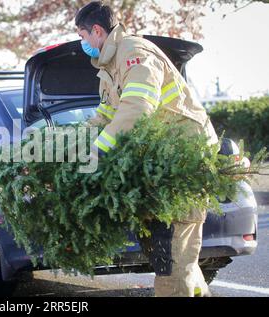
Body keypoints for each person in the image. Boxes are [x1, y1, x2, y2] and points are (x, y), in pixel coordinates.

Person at [75, 1, 218, 297]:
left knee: (173, 251)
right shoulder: (109, 67)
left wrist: (99, 151)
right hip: (163, 161)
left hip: (185, 157)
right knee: (173, 250)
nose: (83, 43)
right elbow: (106, 114)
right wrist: (76, 140)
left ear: (97, 30)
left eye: (82, 35)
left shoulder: (134, 54)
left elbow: (138, 108)